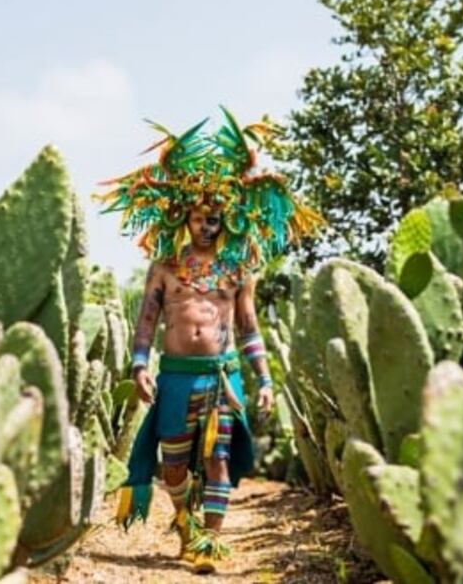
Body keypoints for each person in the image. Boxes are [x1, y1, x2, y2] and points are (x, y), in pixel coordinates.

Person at [96, 108, 322, 574]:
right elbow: (146, 322)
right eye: (200, 218)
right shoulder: (164, 267)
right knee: (173, 463)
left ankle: (210, 544)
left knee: (219, 459)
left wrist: (264, 380)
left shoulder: (239, 270)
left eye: (214, 219)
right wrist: (139, 366)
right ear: (186, 217)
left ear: (225, 221)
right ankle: (187, 530)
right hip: (176, 377)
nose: (206, 226)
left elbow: (249, 329)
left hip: (222, 376)